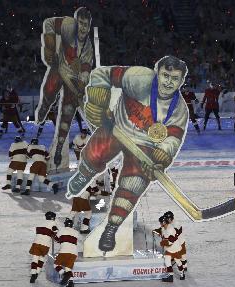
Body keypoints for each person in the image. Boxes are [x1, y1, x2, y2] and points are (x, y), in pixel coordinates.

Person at [67, 56, 189, 253]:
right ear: (157, 73)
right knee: (96, 151)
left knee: (134, 184)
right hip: (117, 126)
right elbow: (102, 74)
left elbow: (172, 141)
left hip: (144, 147)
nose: (168, 82)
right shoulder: (139, 78)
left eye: (174, 78)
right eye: (165, 75)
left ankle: (111, 227)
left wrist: (160, 159)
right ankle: (84, 173)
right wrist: (98, 101)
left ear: (181, 81)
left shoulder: (179, 111)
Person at [35, 7, 94, 167]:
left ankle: (60, 146)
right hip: (59, 68)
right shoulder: (68, 25)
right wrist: (49, 46)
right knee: (49, 89)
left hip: (73, 82)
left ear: (89, 26)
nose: (83, 28)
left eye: (86, 25)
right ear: (76, 22)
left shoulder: (88, 49)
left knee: (68, 112)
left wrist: (80, 86)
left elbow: (85, 74)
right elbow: (48, 23)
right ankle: (44, 106)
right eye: (81, 23)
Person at [29, 211, 58, 283]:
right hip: (45, 244)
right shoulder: (53, 223)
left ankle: (33, 274)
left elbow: (39, 231)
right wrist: (58, 239)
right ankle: (37, 273)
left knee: (35, 259)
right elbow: (55, 232)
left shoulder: (40, 223)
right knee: (41, 259)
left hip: (36, 243)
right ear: (52, 218)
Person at [155, 215, 186, 282]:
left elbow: (171, 241)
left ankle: (182, 273)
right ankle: (170, 276)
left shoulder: (171, 230)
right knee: (167, 261)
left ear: (164, 223)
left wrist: (163, 243)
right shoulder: (164, 228)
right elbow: (162, 232)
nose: (160, 224)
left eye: (160, 223)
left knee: (178, 262)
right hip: (168, 250)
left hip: (175, 248)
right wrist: (157, 232)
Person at [54, 218, 78, 286]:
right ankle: (71, 283)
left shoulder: (62, 230)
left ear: (65, 224)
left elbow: (56, 239)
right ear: (72, 225)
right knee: (68, 268)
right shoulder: (76, 232)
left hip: (64, 251)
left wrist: (55, 231)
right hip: (74, 253)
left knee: (56, 265)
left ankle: (64, 274)